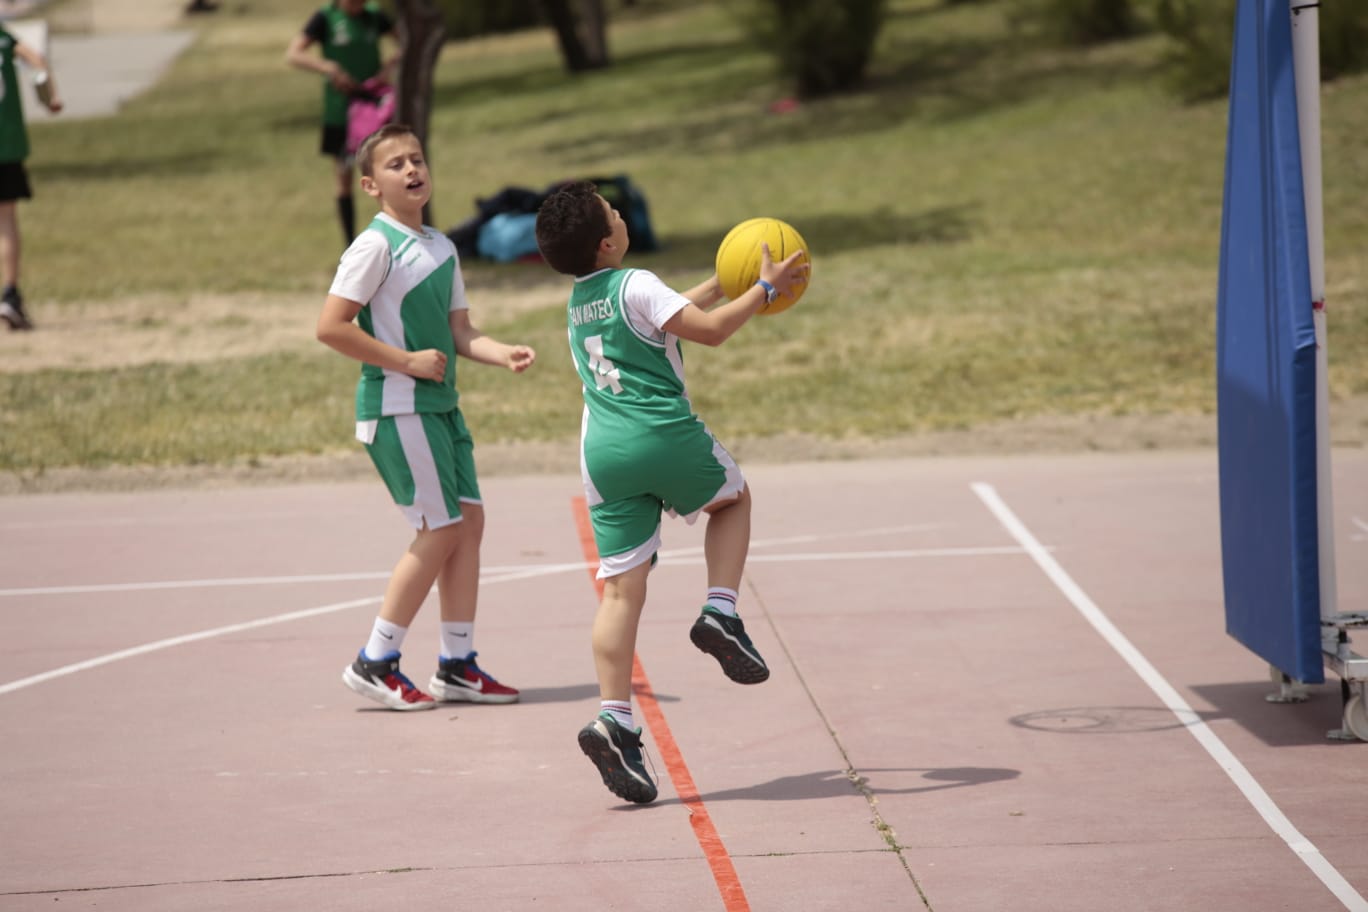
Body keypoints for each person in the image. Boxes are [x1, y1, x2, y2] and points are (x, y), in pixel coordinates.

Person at [533, 181, 809, 803]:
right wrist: (763, 290)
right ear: (608, 242)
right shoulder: (636, 281)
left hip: (603, 456)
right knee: (733, 499)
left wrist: (718, 282)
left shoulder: (583, 298)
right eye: (615, 212)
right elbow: (706, 333)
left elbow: (660, 319)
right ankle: (720, 611)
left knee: (620, 590)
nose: (624, 214)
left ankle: (615, 721)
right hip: (659, 433)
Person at [316, 123, 537, 711]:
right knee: (439, 529)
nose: (412, 169)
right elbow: (330, 327)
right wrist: (406, 361)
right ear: (370, 185)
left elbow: (461, 331)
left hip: (440, 406)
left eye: (417, 159)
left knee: (467, 524)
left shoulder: (441, 245)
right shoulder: (375, 246)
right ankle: (376, 660)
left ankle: (457, 665)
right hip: (398, 405)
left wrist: (501, 352)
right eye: (395, 164)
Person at [285, 0, 400, 247]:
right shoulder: (326, 17)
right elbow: (294, 53)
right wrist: (328, 67)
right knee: (344, 177)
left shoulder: (374, 16)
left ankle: (395, 236)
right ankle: (350, 245)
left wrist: (389, 67)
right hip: (341, 111)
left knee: (388, 171)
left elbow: (407, 42)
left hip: (374, 108)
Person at [0, 22, 62, 331]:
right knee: (6, 217)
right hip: (6, 145)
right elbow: (36, 61)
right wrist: (50, 96)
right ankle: (10, 294)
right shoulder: (3, 37)